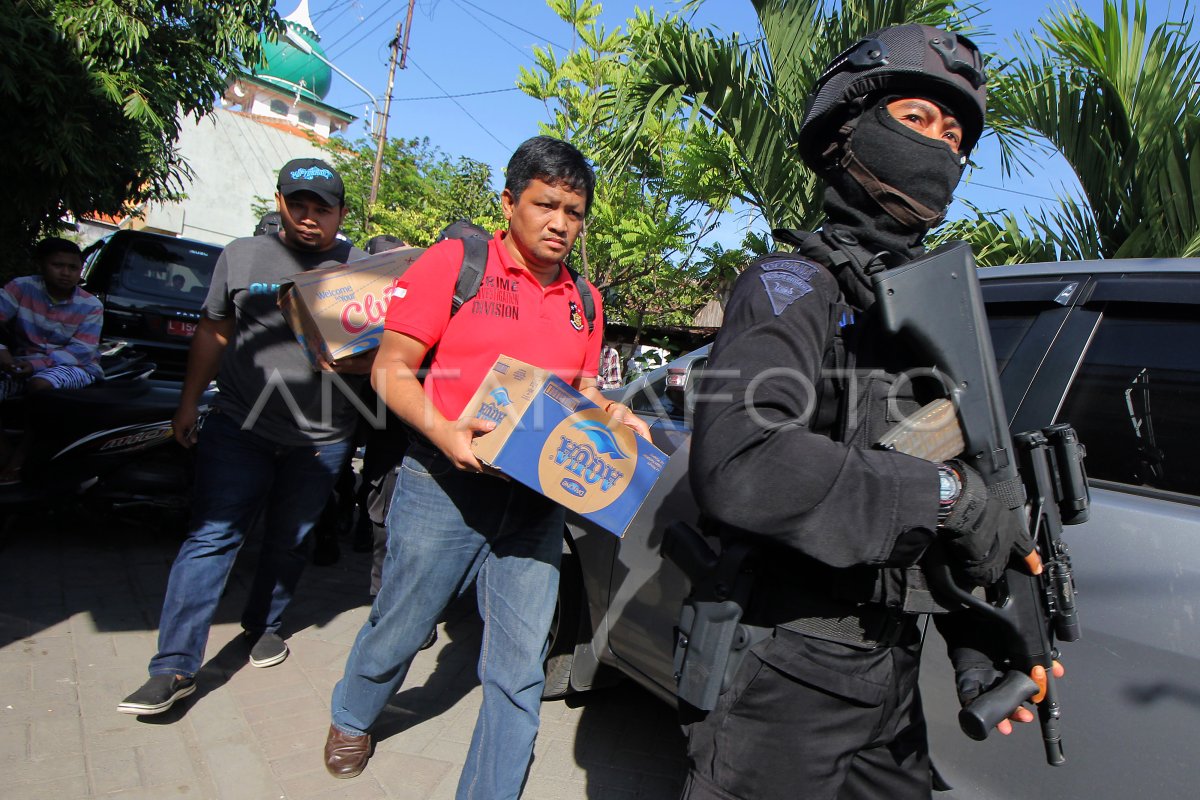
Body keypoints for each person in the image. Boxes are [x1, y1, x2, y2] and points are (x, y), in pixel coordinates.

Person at [682, 25, 1060, 799]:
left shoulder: (923, 316)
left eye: (955, 135)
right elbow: (742, 462)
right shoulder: (790, 285)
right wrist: (950, 499)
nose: (940, 146)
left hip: (889, 676)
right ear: (849, 130)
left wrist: (968, 635)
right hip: (783, 677)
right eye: (918, 119)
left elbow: (924, 481)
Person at [324, 136, 650, 795]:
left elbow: (579, 391)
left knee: (519, 666)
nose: (561, 223)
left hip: (534, 500)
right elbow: (390, 369)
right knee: (404, 623)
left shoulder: (585, 299)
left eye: (575, 212)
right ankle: (352, 712)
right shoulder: (458, 264)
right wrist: (445, 431)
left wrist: (611, 415)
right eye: (546, 205)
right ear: (510, 202)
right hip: (442, 486)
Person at [118, 158, 368, 716]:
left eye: (321, 209)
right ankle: (174, 666)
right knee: (211, 538)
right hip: (240, 425)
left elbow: (383, 353)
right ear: (280, 203)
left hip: (323, 438)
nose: (308, 219)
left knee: (289, 539)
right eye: (297, 205)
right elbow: (214, 330)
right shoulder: (242, 255)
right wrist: (188, 402)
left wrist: (357, 364)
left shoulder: (365, 268)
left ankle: (265, 624)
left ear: (340, 214)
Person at [0, 237, 104, 484]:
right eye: (58, 265)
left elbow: (81, 351)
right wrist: (4, 355)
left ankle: (20, 457)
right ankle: (4, 452)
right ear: (42, 265)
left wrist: (34, 366)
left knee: (41, 387)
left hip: (76, 365)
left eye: (73, 268)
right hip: (21, 361)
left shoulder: (90, 305)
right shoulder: (21, 288)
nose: (66, 273)